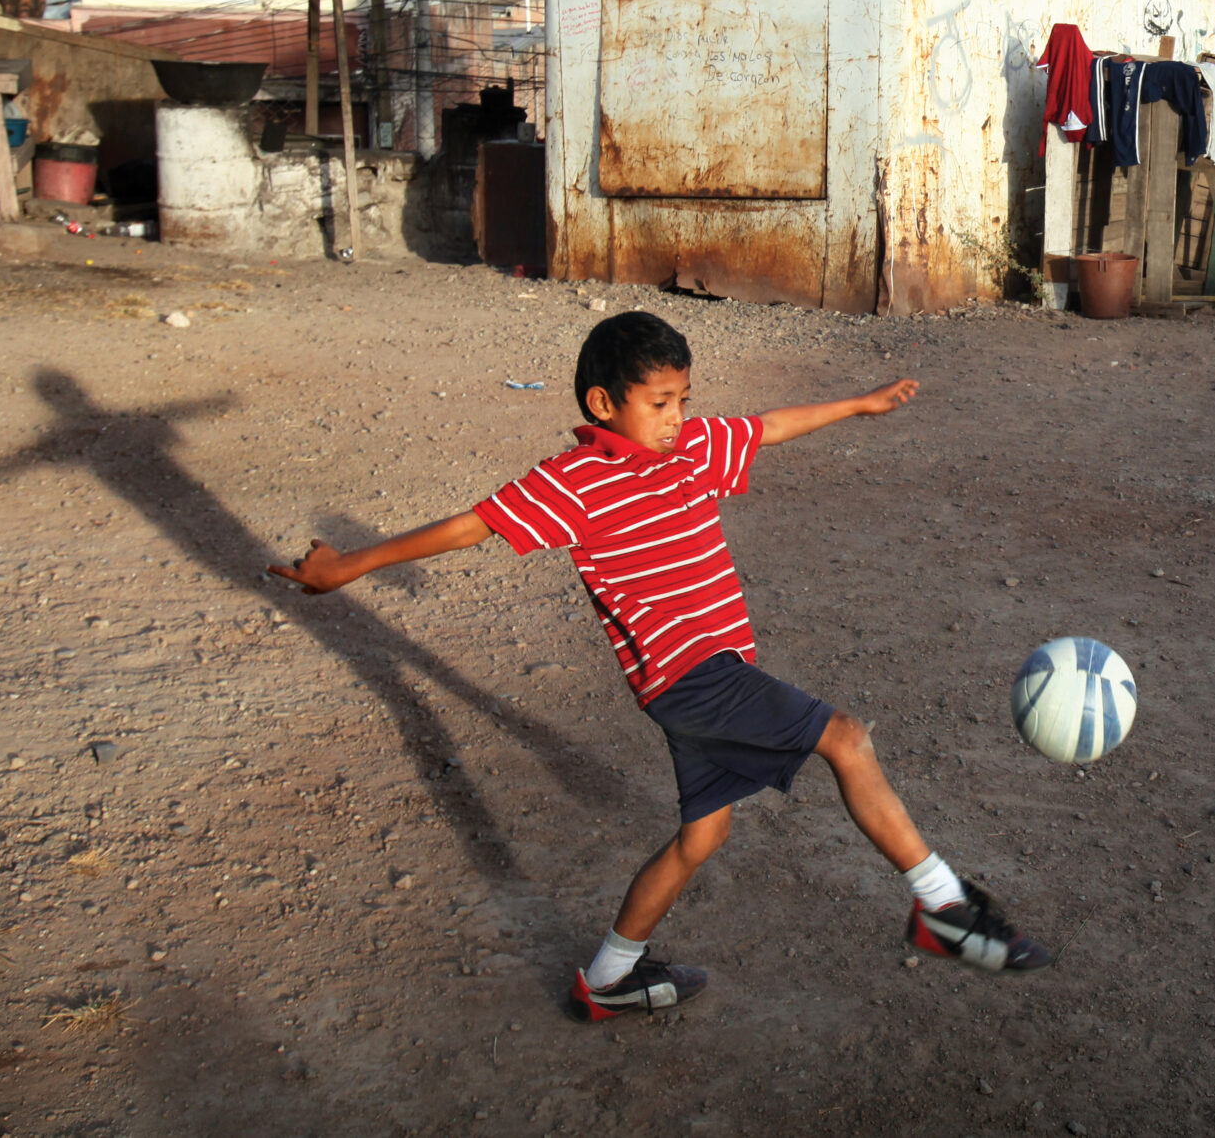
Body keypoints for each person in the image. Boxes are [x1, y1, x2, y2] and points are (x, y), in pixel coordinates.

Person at [268, 310, 1050, 1018]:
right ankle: (941, 906)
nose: (678, 418)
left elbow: (770, 425)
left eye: (684, 397)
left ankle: (609, 976)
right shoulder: (571, 482)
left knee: (699, 840)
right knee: (844, 737)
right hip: (690, 677)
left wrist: (858, 403)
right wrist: (347, 567)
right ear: (603, 404)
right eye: (660, 402)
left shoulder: (696, 445)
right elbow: (468, 526)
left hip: (700, 679)